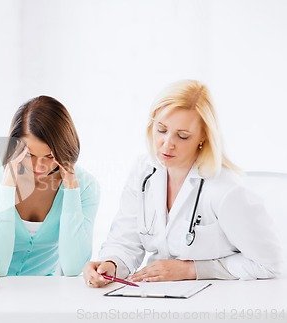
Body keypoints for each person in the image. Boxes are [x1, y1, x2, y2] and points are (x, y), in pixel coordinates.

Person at [83, 79, 283, 287]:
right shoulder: (144, 170)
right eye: (161, 130)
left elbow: (272, 263)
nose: (167, 144)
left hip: (213, 299)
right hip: (157, 295)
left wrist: (192, 269)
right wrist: (110, 264)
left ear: (203, 137)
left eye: (182, 136)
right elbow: (125, 241)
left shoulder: (225, 189)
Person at [0, 96, 100, 276]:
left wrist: (71, 189)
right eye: (29, 154)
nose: (39, 167)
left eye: (49, 157)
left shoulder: (86, 186)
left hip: (46, 295)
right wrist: (8, 184)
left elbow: (74, 267)